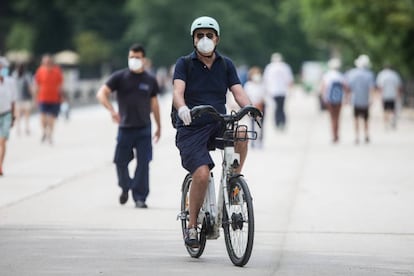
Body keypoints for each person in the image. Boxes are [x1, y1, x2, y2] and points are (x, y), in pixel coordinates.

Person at [172, 16, 253, 248]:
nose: (205, 39)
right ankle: (192, 227)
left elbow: (238, 92)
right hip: (191, 126)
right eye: (200, 36)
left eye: (209, 35)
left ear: (217, 38)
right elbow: (178, 91)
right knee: (201, 174)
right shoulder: (184, 64)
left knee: (242, 134)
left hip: (218, 121)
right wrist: (183, 108)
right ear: (193, 39)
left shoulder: (226, 64)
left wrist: (250, 108)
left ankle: (233, 182)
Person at [96, 43, 161, 209]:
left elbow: (154, 104)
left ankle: (140, 197)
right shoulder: (120, 77)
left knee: (143, 163)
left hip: (144, 127)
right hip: (125, 127)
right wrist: (111, 110)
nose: (134, 60)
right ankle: (125, 187)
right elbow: (101, 93)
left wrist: (159, 126)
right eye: (131, 57)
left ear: (143, 59)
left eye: (137, 57)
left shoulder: (150, 80)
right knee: (120, 161)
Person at [34, 54, 63, 144]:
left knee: (51, 119)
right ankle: (44, 131)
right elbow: (37, 85)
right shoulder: (40, 71)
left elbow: (60, 86)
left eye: (47, 62)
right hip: (42, 98)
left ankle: (50, 135)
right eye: (44, 62)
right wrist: (35, 97)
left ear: (51, 62)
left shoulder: (57, 71)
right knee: (42, 118)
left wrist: (61, 97)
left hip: (54, 99)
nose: (46, 63)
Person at [346, 54, 375, 144]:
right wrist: (371, 99)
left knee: (356, 118)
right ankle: (366, 135)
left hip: (355, 100)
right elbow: (371, 88)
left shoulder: (352, 73)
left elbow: (349, 87)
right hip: (365, 100)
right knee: (366, 118)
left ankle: (357, 136)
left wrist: (347, 98)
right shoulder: (369, 74)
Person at [263, 52, 293, 131]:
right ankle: (282, 122)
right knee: (281, 107)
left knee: (276, 108)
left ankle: (277, 122)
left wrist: (266, 90)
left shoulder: (269, 67)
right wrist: (290, 90)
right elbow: (289, 80)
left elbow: (266, 80)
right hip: (283, 91)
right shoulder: (285, 67)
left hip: (273, 91)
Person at [320, 58, 347, 143]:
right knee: (338, 117)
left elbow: (323, 88)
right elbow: (345, 87)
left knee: (332, 118)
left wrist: (323, 98)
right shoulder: (340, 75)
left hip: (329, 99)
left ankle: (333, 135)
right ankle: (337, 134)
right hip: (339, 99)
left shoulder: (327, 75)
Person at [0, 57, 17, 176]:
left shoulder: (10, 82)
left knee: (3, 141)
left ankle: (0, 164)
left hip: (6, 114)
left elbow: (13, 100)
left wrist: (13, 116)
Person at [244, 66, 266, 148]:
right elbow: (246, 96)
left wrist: (261, 103)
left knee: (261, 125)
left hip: (261, 106)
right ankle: (253, 140)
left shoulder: (263, 85)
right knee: (252, 124)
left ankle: (260, 140)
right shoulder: (248, 85)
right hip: (252, 106)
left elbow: (265, 95)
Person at [376, 64, 403, 130]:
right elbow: (398, 86)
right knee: (393, 110)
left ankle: (386, 124)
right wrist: (398, 95)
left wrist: (379, 95)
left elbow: (380, 87)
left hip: (384, 95)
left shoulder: (381, 75)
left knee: (385, 110)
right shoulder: (395, 75)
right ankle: (393, 121)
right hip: (393, 95)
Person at [12, 63, 34, 135]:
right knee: (26, 115)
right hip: (24, 98)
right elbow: (30, 87)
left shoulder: (14, 75)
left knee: (18, 115)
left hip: (18, 98)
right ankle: (26, 128)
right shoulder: (26, 76)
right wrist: (33, 96)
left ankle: (19, 129)